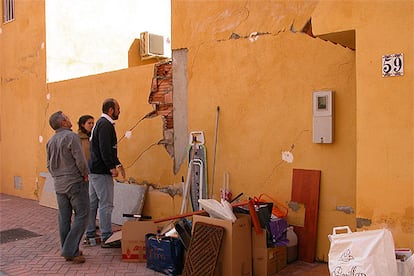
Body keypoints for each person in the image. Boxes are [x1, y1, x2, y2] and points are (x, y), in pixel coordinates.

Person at [46, 111, 89, 264]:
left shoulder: (51, 141)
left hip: (59, 184)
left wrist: (58, 176)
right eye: (67, 117)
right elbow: (81, 160)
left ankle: (70, 249)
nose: (70, 119)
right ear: (63, 122)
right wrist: (85, 174)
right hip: (74, 182)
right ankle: (69, 250)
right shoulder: (71, 137)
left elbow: (48, 165)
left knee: (64, 218)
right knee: (82, 215)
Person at [86, 98, 126, 248]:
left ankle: (90, 232)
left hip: (95, 169)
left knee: (93, 203)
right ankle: (106, 236)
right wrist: (111, 167)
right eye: (118, 109)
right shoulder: (105, 125)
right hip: (101, 171)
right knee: (106, 204)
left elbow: (108, 148)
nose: (119, 111)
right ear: (111, 110)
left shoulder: (101, 124)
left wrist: (117, 163)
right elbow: (105, 148)